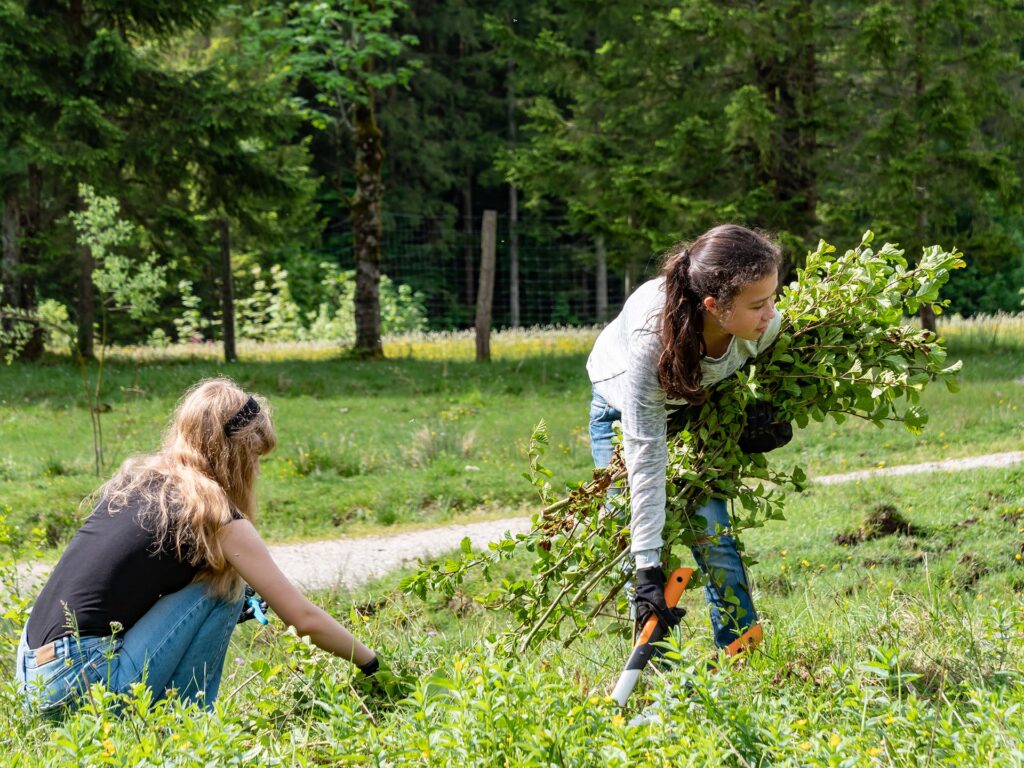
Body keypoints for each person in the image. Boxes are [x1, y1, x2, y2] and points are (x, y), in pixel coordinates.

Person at [16, 378, 379, 716]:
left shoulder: (136, 481)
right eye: (254, 456)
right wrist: (371, 663)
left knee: (216, 580)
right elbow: (303, 618)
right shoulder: (215, 515)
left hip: (31, 676)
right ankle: (188, 728)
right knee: (226, 588)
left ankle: (172, 725)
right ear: (233, 455)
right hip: (80, 684)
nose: (257, 470)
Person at [587, 224, 785, 654]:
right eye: (758, 304)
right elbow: (646, 455)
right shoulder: (650, 345)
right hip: (624, 413)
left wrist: (760, 410)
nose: (772, 313)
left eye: (772, 297)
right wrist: (647, 568)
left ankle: (742, 656)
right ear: (714, 305)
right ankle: (657, 669)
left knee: (713, 534)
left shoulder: (764, 327)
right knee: (635, 539)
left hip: (693, 408)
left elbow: (764, 370)